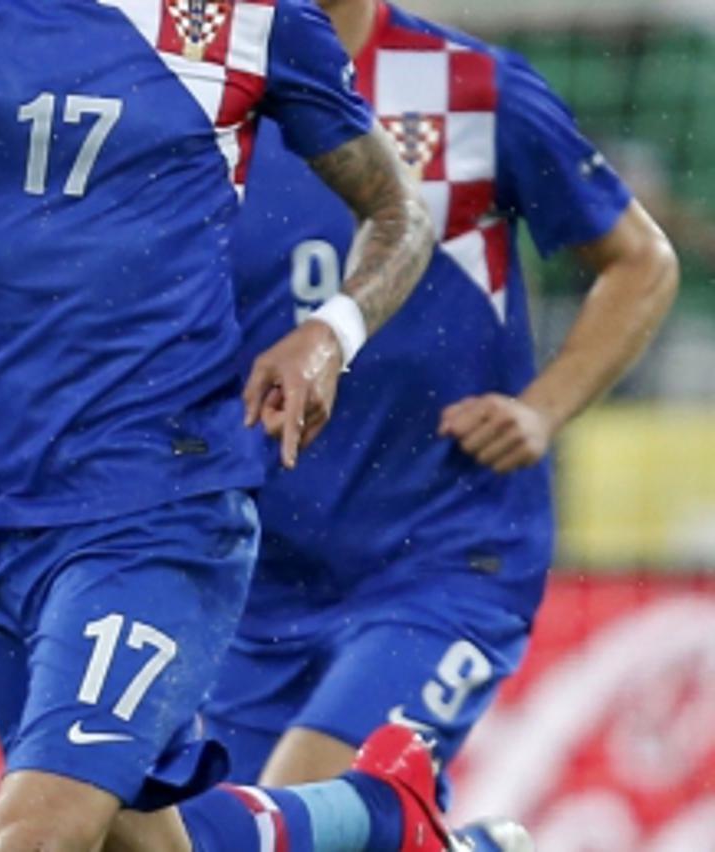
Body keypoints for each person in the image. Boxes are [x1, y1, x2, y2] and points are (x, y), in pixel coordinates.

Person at [0, 0, 468, 849]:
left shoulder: (255, 23)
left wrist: (331, 332)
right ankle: (377, 819)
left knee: (37, 832)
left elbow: (400, 213)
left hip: (157, 507)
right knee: (135, 838)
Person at [207, 0, 679, 847]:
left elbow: (640, 262)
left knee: (296, 813)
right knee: (209, 835)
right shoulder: (210, 93)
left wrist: (543, 408)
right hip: (258, 579)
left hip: (443, 555)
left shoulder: (467, 87)